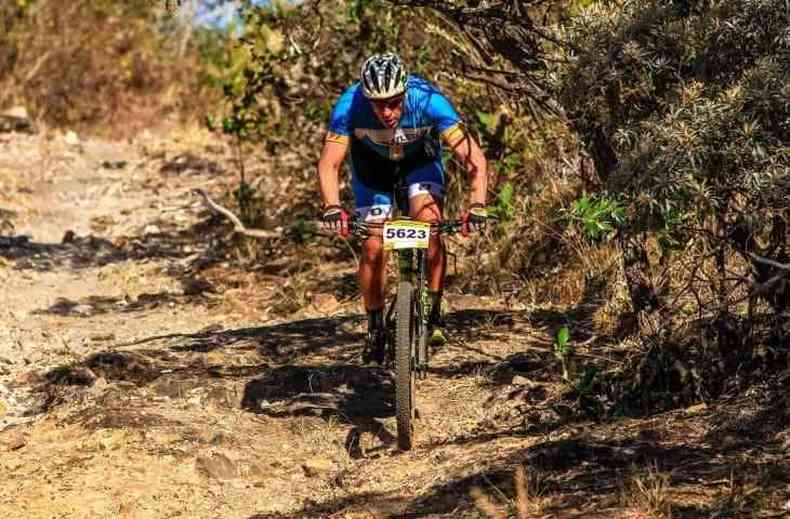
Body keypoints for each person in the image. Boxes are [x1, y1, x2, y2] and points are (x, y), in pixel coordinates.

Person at [317, 52, 489, 364]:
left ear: (406, 92)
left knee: (430, 230)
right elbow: (329, 165)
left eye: (395, 102)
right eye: (378, 103)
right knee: (372, 247)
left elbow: (473, 158)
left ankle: (433, 310)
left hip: (419, 162)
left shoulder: (429, 100)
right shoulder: (348, 105)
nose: (387, 111)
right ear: (365, 96)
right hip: (372, 171)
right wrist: (333, 208)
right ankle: (374, 327)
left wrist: (477, 204)